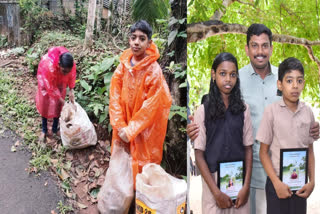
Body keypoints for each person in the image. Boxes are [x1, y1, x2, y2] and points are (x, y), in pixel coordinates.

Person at [187, 23, 320, 214]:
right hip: (244, 175)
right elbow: (214, 110)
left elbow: (297, 116)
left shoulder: (285, 78)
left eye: (264, 45)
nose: (260, 51)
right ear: (247, 49)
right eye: (254, 45)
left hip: (278, 175)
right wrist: (195, 126)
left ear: (271, 49)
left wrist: (314, 128)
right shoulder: (236, 79)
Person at [109, 20, 172, 185]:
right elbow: (115, 92)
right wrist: (119, 123)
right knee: (121, 162)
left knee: (141, 167)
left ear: (149, 43)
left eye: (142, 38)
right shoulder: (124, 65)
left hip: (143, 131)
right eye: (133, 37)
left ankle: (138, 199)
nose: (136, 42)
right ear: (129, 40)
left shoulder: (153, 71)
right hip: (123, 124)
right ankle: (122, 196)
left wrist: (131, 130)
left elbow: (150, 108)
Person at [193, 52, 253, 213]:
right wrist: (216, 192)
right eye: (223, 73)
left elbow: (248, 148)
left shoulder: (243, 109)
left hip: (239, 186)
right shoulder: (202, 111)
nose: (228, 79)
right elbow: (199, 155)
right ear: (213, 75)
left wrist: (246, 187)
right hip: (213, 185)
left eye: (233, 75)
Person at [257, 57, 315, 214]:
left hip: (300, 186)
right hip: (277, 185)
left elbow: (309, 150)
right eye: (289, 81)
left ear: (303, 83)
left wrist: (312, 181)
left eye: (299, 80)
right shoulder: (271, 112)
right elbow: (263, 153)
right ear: (280, 84)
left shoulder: (308, 112)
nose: (295, 85)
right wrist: (276, 183)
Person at [36, 46, 76, 143]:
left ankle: (54, 129)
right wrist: (64, 102)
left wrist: (71, 90)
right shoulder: (48, 66)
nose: (66, 73)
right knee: (45, 104)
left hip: (60, 81)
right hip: (46, 82)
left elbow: (71, 76)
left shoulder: (70, 65)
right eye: (64, 71)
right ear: (58, 65)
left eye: (68, 71)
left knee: (59, 105)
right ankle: (44, 130)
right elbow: (51, 87)